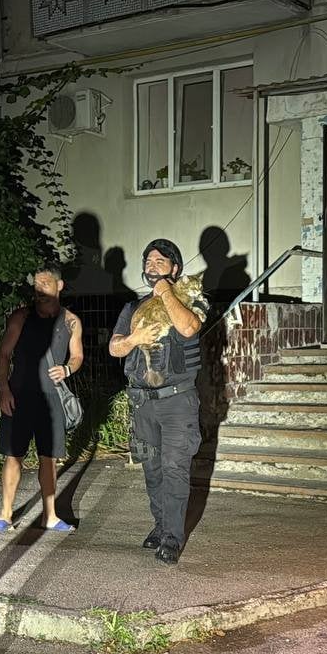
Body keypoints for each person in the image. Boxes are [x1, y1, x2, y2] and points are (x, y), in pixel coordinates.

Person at [108, 239, 208, 566]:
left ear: (175, 269)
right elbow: (114, 348)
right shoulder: (132, 308)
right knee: (152, 469)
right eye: (148, 261)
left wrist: (165, 292)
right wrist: (134, 339)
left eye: (160, 261)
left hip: (178, 402)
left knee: (174, 469)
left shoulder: (191, 300)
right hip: (143, 403)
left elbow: (189, 328)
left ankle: (172, 538)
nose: (152, 266)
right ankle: (161, 524)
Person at [0, 267, 84, 533]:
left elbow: (77, 356)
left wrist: (67, 369)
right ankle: (5, 515)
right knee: (13, 456)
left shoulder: (71, 321)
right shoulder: (21, 317)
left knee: (48, 458)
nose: (40, 289)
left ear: (59, 285)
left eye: (45, 283)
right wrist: (4, 390)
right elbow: (4, 355)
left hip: (51, 399)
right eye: (37, 284)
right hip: (19, 396)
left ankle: (50, 516)